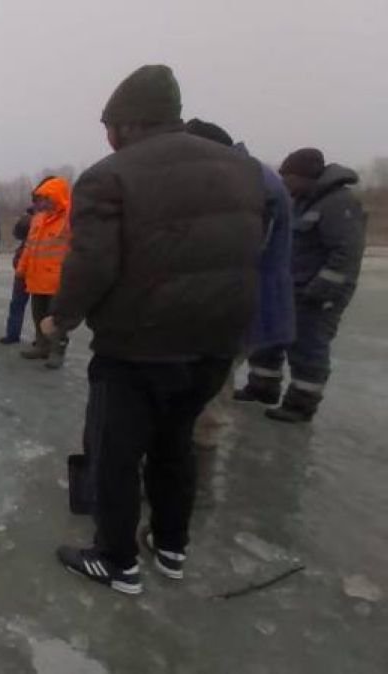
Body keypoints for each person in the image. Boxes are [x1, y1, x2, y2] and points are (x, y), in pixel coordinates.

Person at [42, 65, 265, 594]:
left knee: (116, 452)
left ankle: (117, 562)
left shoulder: (110, 176)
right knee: (175, 444)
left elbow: (92, 263)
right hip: (217, 342)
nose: (107, 136)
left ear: (127, 123)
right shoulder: (243, 170)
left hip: (140, 344)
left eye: (109, 125)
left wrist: (60, 318)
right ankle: (170, 547)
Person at [184, 119, 295, 448]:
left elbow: (236, 250)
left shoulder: (249, 182)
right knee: (204, 388)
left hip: (240, 306)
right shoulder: (249, 175)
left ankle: (195, 484)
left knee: (208, 395)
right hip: (238, 302)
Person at [235, 148, 367, 423]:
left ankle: (301, 403)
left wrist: (321, 289)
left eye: (289, 177)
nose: (285, 183)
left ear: (307, 177)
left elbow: (346, 252)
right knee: (269, 337)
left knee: (308, 346)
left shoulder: (338, 203)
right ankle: (262, 387)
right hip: (290, 287)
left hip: (318, 293)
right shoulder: (299, 200)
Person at [17, 176, 72, 369]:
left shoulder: (70, 219)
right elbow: (29, 246)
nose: (43, 203)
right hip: (37, 277)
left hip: (58, 280)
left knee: (56, 319)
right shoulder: (38, 219)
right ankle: (42, 345)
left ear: (56, 197)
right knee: (38, 315)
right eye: (41, 199)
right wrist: (21, 268)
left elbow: (79, 248)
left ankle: (57, 351)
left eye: (46, 198)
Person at [0, 207, 33, 345]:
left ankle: (43, 340)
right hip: (24, 270)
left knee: (40, 308)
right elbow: (18, 232)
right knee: (18, 304)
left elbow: (17, 232)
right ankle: (13, 334)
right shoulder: (32, 218)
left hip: (38, 270)